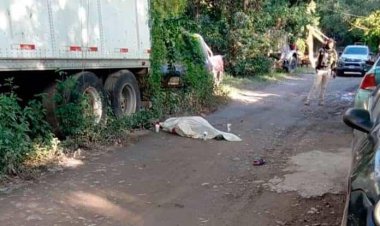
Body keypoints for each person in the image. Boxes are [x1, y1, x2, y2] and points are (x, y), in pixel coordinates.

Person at [305, 39, 338, 106]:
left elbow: (334, 62)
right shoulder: (322, 50)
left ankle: (321, 101)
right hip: (320, 70)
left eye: (332, 44)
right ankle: (308, 100)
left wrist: (334, 71)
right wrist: (316, 68)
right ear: (327, 43)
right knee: (315, 85)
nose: (331, 45)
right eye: (330, 43)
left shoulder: (333, 52)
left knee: (324, 87)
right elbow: (317, 59)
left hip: (327, 70)